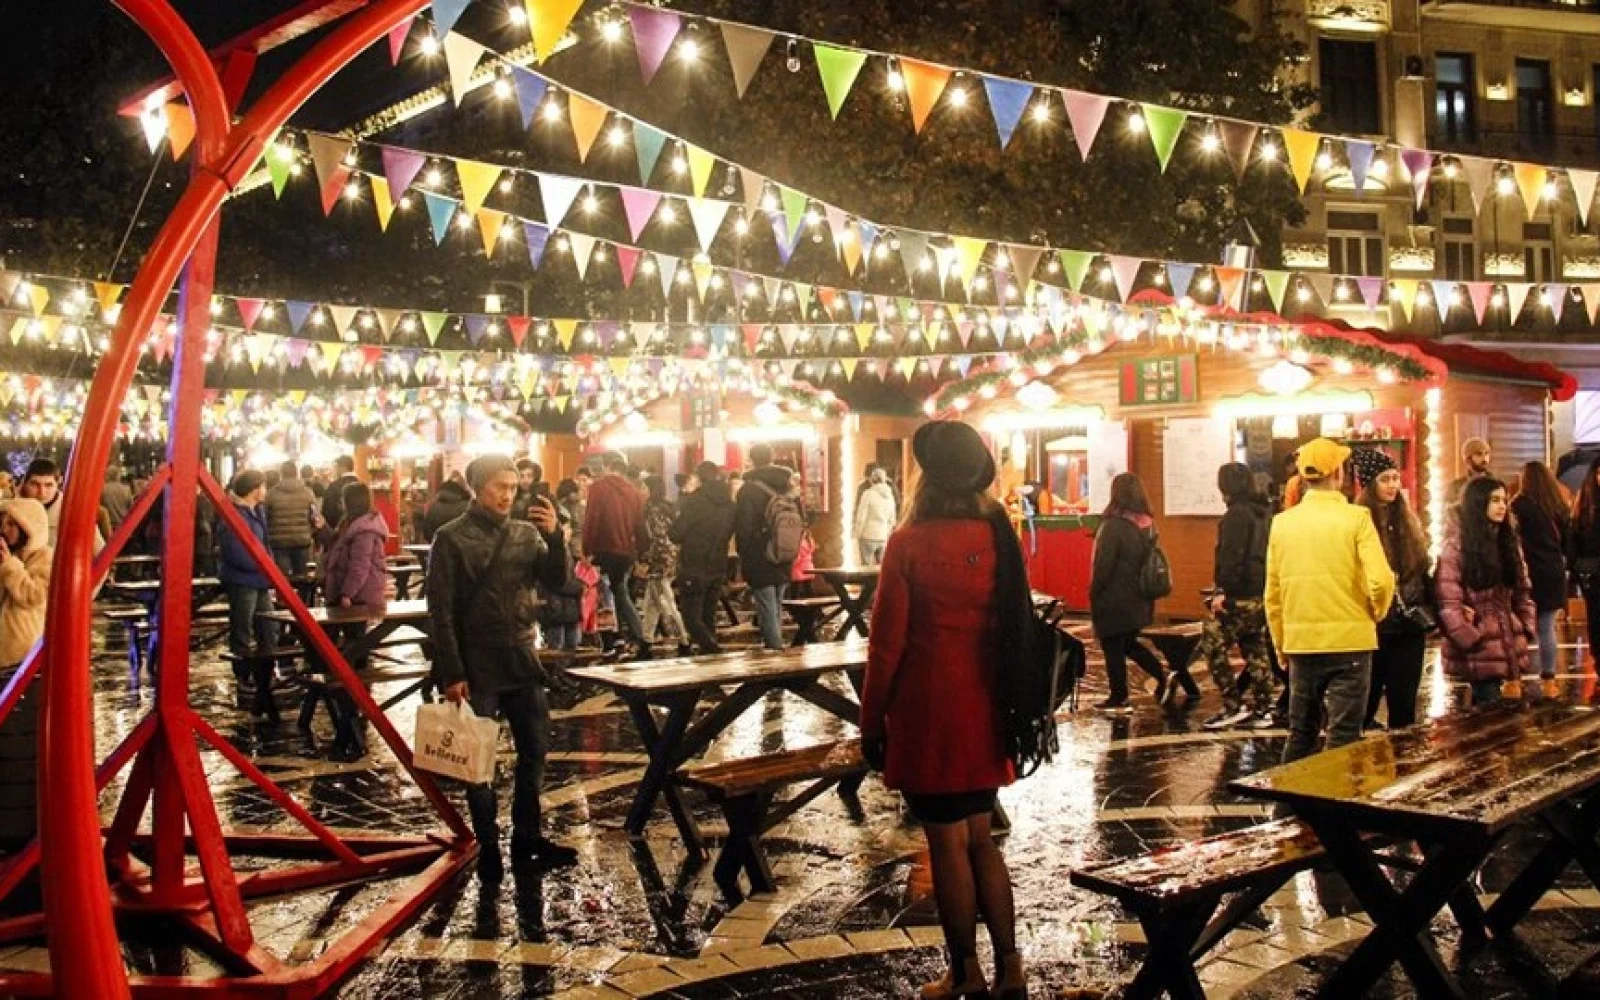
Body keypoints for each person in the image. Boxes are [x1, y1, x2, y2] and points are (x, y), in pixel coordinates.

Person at [861, 421, 1025, 1000]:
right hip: (988, 707)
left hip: (927, 712)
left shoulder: (908, 542)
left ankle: (964, 973)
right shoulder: (998, 533)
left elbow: (886, 646)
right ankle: (1010, 969)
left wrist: (870, 720)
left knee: (946, 843)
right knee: (981, 839)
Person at [427, 454, 577, 880]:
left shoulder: (526, 533)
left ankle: (527, 836)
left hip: (520, 657)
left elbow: (557, 580)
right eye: (499, 487)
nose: (508, 495)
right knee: (478, 762)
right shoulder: (451, 538)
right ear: (478, 488)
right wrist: (452, 672)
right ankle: (488, 843)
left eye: (513, 488)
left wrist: (556, 537)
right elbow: (440, 610)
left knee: (535, 750)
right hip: (477, 663)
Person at [1265, 439, 1395, 763]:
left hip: (1301, 643)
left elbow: (1273, 595)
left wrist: (1282, 644)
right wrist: (1374, 613)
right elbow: (1381, 580)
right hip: (1351, 641)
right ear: (1338, 472)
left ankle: (1287, 794)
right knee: (1343, 736)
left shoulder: (1282, 524)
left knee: (1301, 733)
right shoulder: (1357, 518)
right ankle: (1335, 796)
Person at [1438, 477, 1537, 706]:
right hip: (1478, 640)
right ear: (1478, 502)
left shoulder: (1508, 542)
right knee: (1489, 704)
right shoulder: (1457, 546)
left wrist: (1526, 625)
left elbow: (1523, 591)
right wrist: (1468, 636)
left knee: (1494, 711)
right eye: (1494, 500)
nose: (1502, 506)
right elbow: (1448, 598)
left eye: (1504, 500)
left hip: (1507, 635)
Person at [1353, 449, 1433, 730]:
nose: (1392, 485)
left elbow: (1420, 567)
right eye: (1385, 479)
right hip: (1374, 623)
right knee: (1365, 702)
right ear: (1370, 483)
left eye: (1395, 478)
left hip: (1408, 622)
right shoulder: (1360, 520)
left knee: (1404, 705)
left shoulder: (1407, 520)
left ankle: (1403, 755)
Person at [1199, 463, 1277, 730]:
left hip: (1238, 595)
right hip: (1261, 592)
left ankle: (1232, 704)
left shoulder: (1235, 516)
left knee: (1212, 643)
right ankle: (1264, 708)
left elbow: (1230, 557)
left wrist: (1222, 591)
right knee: (1255, 648)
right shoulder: (1264, 513)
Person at [1089, 473, 1169, 713]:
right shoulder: (1147, 524)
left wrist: (1094, 592)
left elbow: (1104, 566)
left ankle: (1119, 696)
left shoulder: (1113, 526)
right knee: (1128, 643)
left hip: (1114, 597)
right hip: (1140, 597)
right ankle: (1162, 674)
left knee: (1112, 644)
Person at [0, 498, 51, 848]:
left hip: (24, 655)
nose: (6, 530)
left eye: (12, 524)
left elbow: (33, 596)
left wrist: (10, 567)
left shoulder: (43, 558)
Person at [583, 452, 651, 660]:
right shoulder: (634, 492)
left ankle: (612, 641)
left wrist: (587, 549)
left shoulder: (598, 488)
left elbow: (592, 519)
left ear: (607, 467)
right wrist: (641, 554)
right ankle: (637, 637)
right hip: (626, 552)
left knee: (605, 597)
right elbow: (640, 525)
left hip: (603, 549)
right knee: (620, 593)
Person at [735, 444, 800, 650]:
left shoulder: (748, 490)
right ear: (771, 457)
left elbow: (744, 528)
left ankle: (775, 649)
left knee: (766, 605)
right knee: (776, 604)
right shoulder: (788, 486)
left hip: (760, 553)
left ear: (752, 459)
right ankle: (776, 643)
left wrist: (743, 553)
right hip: (785, 550)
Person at [1512, 461, 1569, 695]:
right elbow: (1567, 541)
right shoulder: (1557, 506)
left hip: (1528, 572)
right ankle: (1548, 678)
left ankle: (1515, 676)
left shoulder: (1519, 505)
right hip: (1553, 572)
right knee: (1546, 627)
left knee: (1520, 626)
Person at [671, 461, 736, 654]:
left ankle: (712, 649)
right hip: (718, 563)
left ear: (699, 478)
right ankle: (710, 659)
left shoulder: (695, 501)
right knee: (708, 616)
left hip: (694, 564)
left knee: (691, 617)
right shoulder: (730, 504)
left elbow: (676, 533)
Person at [216, 470, 278, 659]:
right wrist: (262, 565)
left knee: (268, 624)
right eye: (263, 486)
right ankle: (243, 669)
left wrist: (268, 564)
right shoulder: (234, 515)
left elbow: (264, 543)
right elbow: (236, 552)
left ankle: (265, 666)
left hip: (259, 578)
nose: (265, 490)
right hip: (243, 580)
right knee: (243, 625)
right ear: (254, 489)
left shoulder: (256, 511)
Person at [638, 476, 689, 653]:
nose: (641, 490)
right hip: (670, 557)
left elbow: (658, 537)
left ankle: (683, 638)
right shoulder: (668, 507)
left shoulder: (654, 509)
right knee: (651, 603)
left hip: (660, 560)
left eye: (644, 487)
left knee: (664, 601)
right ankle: (646, 640)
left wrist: (647, 559)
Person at [20, 458, 104, 555]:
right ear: (25, 483)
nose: (42, 492)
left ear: (58, 483)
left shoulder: (74, 512)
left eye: (48, 485)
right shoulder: (13, 510)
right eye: (35, 485)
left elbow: (99, 551)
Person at [265, 460, 317, 577]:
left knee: (281, 578)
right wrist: (310, 532)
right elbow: (315, 516)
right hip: (302, 541)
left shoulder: (271, 494)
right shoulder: (308, 493)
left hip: (278, 542)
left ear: (281, 474)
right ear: (296, 473)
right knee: (302, 577)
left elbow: (265, 517)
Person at [854, 468, 897, 566]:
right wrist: (886, 531)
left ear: (872, 480)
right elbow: (892, 519)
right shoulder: (890, 496)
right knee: (881, 567)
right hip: (883, 536)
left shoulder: (868, 494)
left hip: (867, 535)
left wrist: (858, 534)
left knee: (866, 567)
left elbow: (861, 517)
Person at [422, 473, 472, 542]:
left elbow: (427, 531)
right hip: (462, 547)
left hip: (439, 546)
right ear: (463, 488)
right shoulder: (467, 506)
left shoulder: (434, 507)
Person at [1447, 437, 1492, 506]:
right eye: (1479, 454)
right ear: (1468, 458)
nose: (1484, 458)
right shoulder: (1456, 486)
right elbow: (1449, 510)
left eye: (1486, 453)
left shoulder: (1496, 484)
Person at [321, 455, 360, 529]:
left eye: (336, 467)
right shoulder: (362, 486)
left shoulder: (334, 486)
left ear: (342, 467)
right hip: (358, 529)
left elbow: (327, 512)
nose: (335, 470)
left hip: (339, 529)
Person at [100, 466, 134, 535]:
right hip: (123, 526)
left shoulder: (102, 489)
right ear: (118, 476)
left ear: (107, 475)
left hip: (107, 527)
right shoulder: (126, 489)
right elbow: (131, 509)